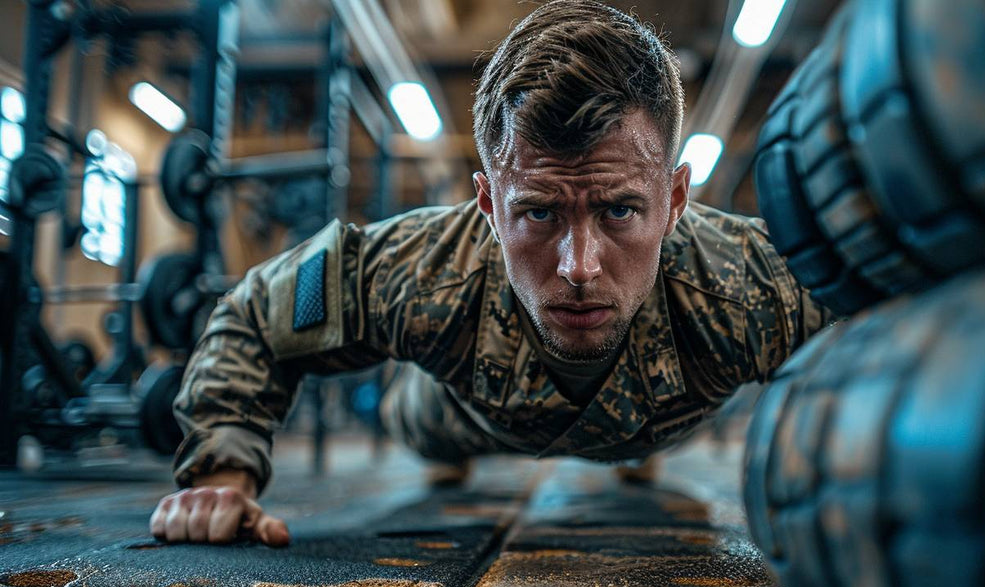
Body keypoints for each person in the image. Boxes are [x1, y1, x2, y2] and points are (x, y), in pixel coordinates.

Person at [149, 0, 827, 547]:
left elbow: (883, 330)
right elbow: (256, 315)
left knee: (659, 426)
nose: (579, 267)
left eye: (621, 210)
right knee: (416, 423)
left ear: (675, 201)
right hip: (462, 412)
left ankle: (635, 448)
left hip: (668, 416)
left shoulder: (746, 282)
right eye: (537, 213)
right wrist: (224, 475)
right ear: (488, 206)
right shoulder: (428, 272)